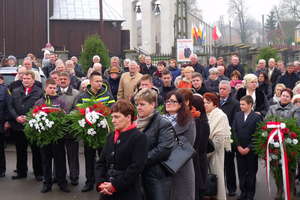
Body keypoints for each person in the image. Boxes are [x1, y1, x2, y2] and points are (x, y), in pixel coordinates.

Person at [95, 100, 147, 200]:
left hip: (128, 192)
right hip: (106, 192)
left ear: (128, 117)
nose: (113, 120)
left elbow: (136, 167)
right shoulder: (111, 136)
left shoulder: (139, 137)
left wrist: (115, 185)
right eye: (112, 117)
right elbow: (101, 162)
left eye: (117, 117)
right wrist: (100, 183)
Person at [76, 71, 115, 192]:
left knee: (103, 159)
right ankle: (89, 182)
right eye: (97, 81)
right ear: (90, 81)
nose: (99, 83)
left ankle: (102, 181)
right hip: (89, 133)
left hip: (103, 133)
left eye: (101, 81)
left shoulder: (107, 94)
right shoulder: (82, 96)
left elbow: (112, 110)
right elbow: (78, 113)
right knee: (89, 157)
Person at [135, 88, 175, 200]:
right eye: (137, 104)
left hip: (156, 176)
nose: (138, 107)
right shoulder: (136, 123)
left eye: (142, 104)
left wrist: (140, 161)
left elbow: (164, 149)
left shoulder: (163, 123)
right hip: (138, 175)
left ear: (152, 104)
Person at [7, 71, 43, 181]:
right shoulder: (16, 91)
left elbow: (41, 107)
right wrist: (16, 117)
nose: (26, 80)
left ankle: (38, 173)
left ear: (33, 80)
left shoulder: (40, 92)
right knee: (20, 150)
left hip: (33, 126)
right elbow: (10, 106)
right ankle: (21, 172)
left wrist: (29, 118)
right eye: (24, 79)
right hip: (18, 125)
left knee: (36, 151)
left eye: (28, 78)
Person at [35, 79, 70, 193]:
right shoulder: (39, 102)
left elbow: (65, 117)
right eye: (50, 88)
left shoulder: (61, 101)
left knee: (60, 161)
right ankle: (47, 183)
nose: (53, 90)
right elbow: (34, 117)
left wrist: (63, 114)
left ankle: (62, 183)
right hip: (44, 137)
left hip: (58, 137)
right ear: (45, 88)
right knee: (46, 161)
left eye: (55, 88)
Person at [163, 91, 196, 200]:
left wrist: (163, 148)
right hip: (161, 168)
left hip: (181, 166)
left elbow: (188, 144)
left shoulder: (188, 120)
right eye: (167, 101)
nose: (168, 103)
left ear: (181, 104)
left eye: (173, 101)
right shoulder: (159, 120)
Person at [232, 95, 262, 200]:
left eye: (243, 104)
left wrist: (249, 147)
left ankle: (250, 194)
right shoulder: (237, 115)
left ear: (250, 105)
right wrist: (238, 146)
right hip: (239, 149)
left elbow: (257, 134)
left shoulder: (256, 117)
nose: (241, 106)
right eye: (240, 104)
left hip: (251, 151)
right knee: (241, 172)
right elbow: (234, 131)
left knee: (251, 173)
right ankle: (243, 192)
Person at [203, 92, 231, 200]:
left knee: (215, 180)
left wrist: (207, 154)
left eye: (208, 102)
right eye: (204, 102)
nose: (205, 104)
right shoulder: (204, 114)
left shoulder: (221, 116)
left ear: (215, 104)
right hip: (203, 154)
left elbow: (219, 140)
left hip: (214, 154)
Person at [57, 72, 80, 186]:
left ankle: (74, 176)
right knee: (58, 155)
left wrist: (65, 117)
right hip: (57, 130)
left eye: (64, 79)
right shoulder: (53, 92)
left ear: (69, 80)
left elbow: (77, 110)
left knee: (73, 156)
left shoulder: (76, 94)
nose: (62, 80)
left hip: (71, 129)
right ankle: (59, 176)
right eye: (60, 79)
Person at [218, 80, 240, 197]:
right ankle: (217, 188)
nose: (221, 91)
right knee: (217, 165)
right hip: (215, 137)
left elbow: (235, 122)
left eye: (224, 89)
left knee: (229, 164)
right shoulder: (215, 101)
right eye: (220, 88)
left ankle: (231, 188)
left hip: (228, 138)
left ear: (229, 90)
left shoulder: (235, 104)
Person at [191, 94, 210, 200]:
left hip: (198, 161)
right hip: (198, 160)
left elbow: (200, 147)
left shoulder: (201, 123)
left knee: (198, 191)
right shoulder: (199, 120)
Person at [0, 77, 8, 177]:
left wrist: (7, 121)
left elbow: (8, 106)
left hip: (0, 123)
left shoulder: (4, 90)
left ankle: (1, 170)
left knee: (0, 149)